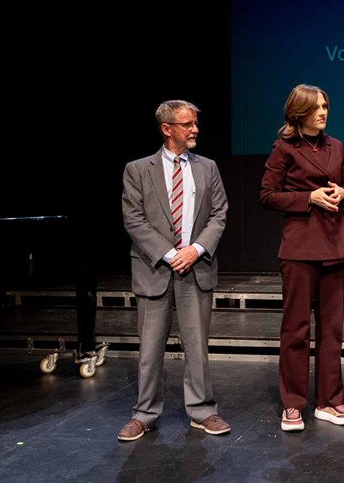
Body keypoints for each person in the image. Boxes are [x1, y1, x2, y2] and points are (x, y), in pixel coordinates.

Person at [117, 100, 231, 442]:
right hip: (155, 269)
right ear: (166, 129)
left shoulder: (208, 167)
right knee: (150, 350)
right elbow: (134, 220)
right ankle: (145, 414)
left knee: (197, 346)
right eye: (187, 124)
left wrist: (195, 250)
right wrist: (169, 254)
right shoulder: (138, 169)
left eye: (195, 123)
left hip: (196, 267)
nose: (194, 129)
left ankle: (203, 410)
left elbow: (219, 214)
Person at [260, 84, 344, 432]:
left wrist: (342, 193)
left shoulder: (336, 146)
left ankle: (330, 401)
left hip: (335, 244)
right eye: (316, 108)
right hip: (300, 247)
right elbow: (268, 195)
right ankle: (293, 403)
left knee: (332, 328)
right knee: (296, 328)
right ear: (299, 112)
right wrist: (308, 198)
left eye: (325, 106)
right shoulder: (284, 148)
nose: (323, 112)